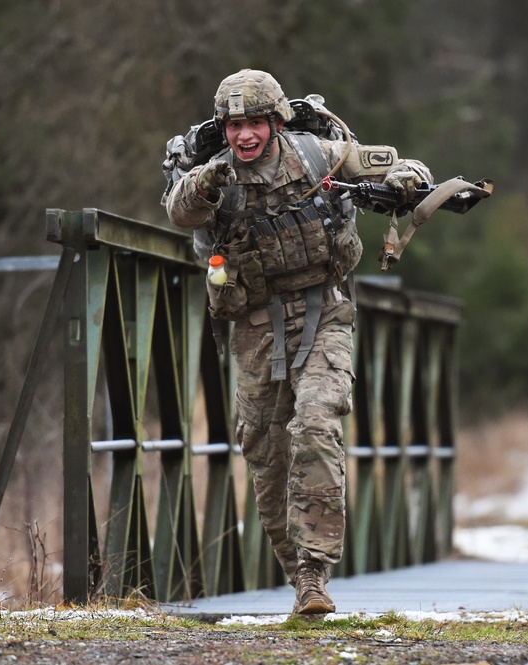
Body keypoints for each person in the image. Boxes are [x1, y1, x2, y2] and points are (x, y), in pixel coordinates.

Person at [164, 69, 432, 615]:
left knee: (315, 423)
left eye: (254, 123)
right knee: (266, 456)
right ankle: (297, 576)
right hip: (254, 326)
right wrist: (209, 179)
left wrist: (405, 181)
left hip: (323, 312)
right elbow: (179, 211)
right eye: (234, 125)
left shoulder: (317, 155)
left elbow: (402, 165)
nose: (244, 136)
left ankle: (315, 573)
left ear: (275, 120)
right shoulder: (214, 175)